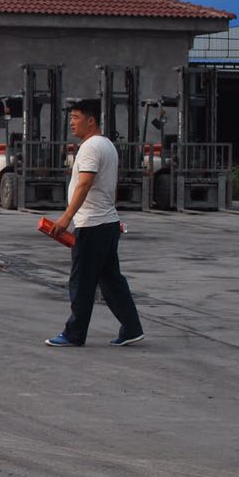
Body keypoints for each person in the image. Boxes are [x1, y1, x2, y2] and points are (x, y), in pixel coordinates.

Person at [45, 98, 145, 348]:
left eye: (76, 118)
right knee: (111, 280)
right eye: (71, 118)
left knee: (82, 282)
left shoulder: (90, 147)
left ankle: (74, 334)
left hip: (93, 225)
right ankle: (132, 328)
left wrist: (67, 217)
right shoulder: (107, 145)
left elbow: (85, 183)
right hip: (107, 223)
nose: (72, 123)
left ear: (91, 120)